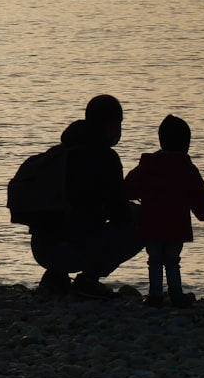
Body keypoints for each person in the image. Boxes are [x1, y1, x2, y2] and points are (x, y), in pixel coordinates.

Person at [29, 94, 143, 298]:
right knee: (144, 221)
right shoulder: (105, 158)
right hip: (72, 252)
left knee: (74, 222)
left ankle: (55, 277)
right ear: (110, 125)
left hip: (41, 249)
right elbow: (120, 215)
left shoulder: (59, 152)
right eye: (119, 124)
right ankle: (88, 280)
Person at [124, 114, 204, 307]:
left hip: (151, 225)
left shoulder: (148, 165)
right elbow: (199, 196)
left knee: (154, 260)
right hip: (176, 227)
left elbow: (128, 188)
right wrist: (202, 212)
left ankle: (154, 295)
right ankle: (176, 295)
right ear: (186, 143)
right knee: (172, 261)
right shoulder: (187, 168)